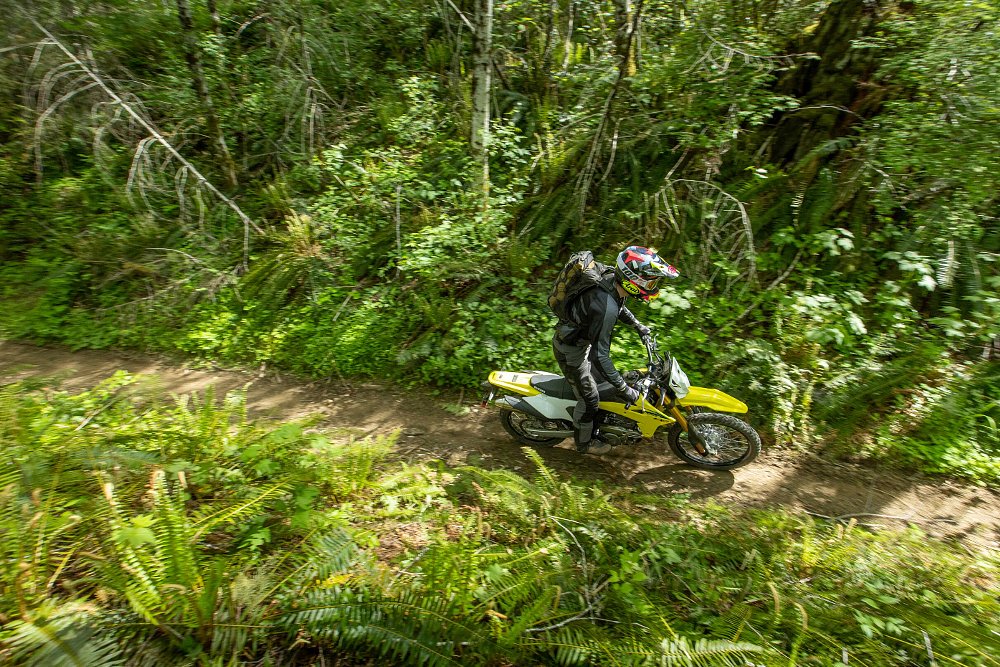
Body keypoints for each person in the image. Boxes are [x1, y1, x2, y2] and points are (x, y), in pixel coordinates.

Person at [552, 246, 679, 455]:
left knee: (605, 386)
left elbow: (619, 306)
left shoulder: (611, 281)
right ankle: (584, 443)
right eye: (650, 282)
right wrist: (624, 389)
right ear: (633, 280)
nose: (653, 286)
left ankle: (602, 424)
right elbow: (600, 356)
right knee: (590, 398)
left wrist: (638, 325)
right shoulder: (605, 308)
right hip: (571, 351)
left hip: (582, 341)